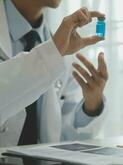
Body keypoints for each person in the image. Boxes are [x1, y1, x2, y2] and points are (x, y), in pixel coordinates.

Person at [0, 0, 108, 147]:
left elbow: (61, 134)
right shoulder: (57, 46)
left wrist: (91, 107)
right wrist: (51, 52)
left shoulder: (62, 44)